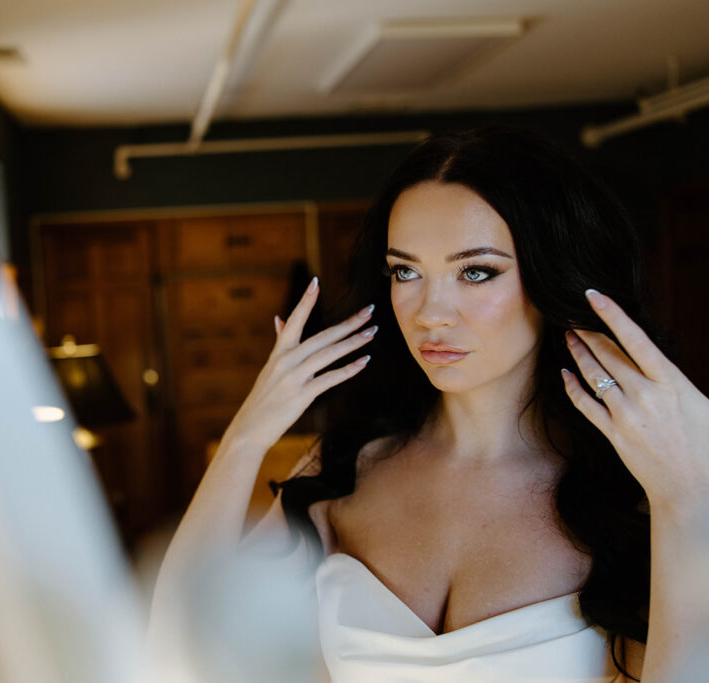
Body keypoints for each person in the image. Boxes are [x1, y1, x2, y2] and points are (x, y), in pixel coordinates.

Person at [149, 126, 709, 682]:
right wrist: (247, 436)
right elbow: (175, 649)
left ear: (551, 276)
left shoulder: (637, 494)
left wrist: (687, 502)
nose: (430, 312)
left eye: (476, 271)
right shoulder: (347, 469)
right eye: (406, 271)